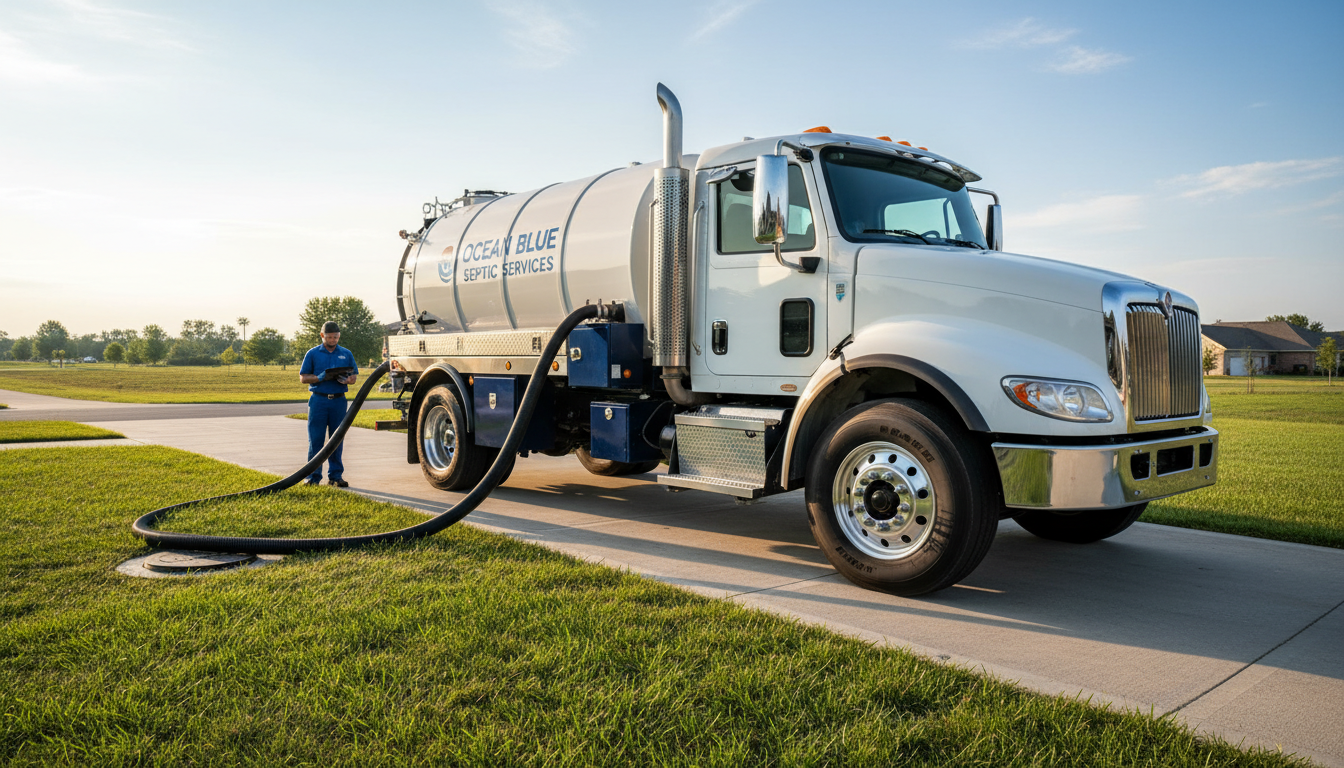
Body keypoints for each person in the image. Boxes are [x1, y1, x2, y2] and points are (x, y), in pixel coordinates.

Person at [299, 321, 359, 486]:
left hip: (339, 401)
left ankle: (335, 476)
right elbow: (303, 378)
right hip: (319, 400)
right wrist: (319, 377)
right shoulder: (312, 354)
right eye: (330, 337)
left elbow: (353, 377)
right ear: (322, 335)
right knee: (316, 439)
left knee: (337, 439)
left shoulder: (346, 354)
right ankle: (313, 477)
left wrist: (347, 380)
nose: (333, 340)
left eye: (336, 337)